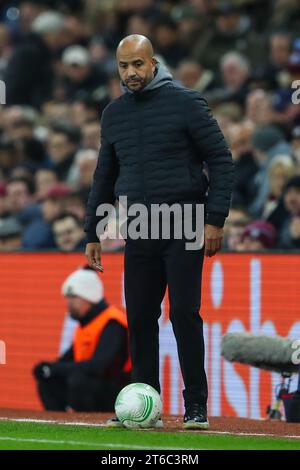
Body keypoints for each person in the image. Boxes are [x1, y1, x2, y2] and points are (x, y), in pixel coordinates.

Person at [85, 35, 234, 429]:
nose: (130, 73)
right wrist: (93, 231)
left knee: (184, 314)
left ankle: (196, 407)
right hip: (138, 226)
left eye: (137, 64)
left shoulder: (186, 102)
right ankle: (144, 405)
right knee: (140, 318)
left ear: (153, 64)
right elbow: (105, 175)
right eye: (123, 66)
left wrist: (215, 218)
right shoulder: (113, 114)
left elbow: (220, 158)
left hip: (184, 222)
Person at [33, 267, 131, 412]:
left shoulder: (112, 323)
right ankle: (60, 425)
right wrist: (48, 369)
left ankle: (89, 425)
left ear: (89, 297)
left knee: (79, 380)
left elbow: (100, 366)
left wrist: (54, 369)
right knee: (48, 380)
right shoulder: (85, 325)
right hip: (96, 385)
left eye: (73, 297)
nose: (68, 303)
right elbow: (66, 360)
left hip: (119, 392)